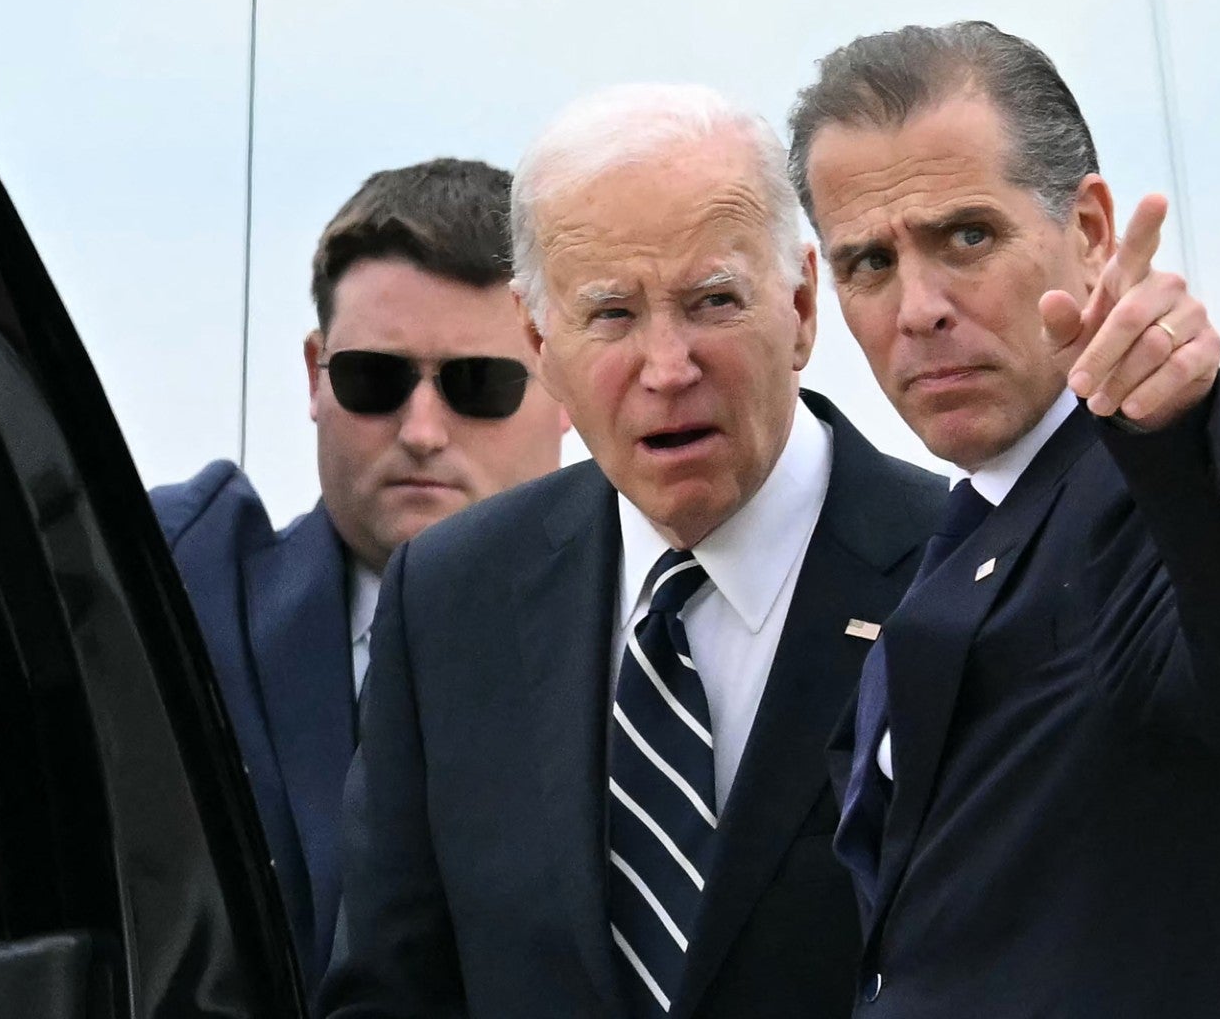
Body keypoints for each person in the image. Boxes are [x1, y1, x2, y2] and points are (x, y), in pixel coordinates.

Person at [788, 21, 1220, 1015]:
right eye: (868, 264)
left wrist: (1185, 428)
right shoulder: (965, 529)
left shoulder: (1163, 481)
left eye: (967, 237)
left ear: (1093, 231)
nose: (920, 307)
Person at [318, 86, 944, 1019]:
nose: (666, 367)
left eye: (713, 302)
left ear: (803, 306)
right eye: (610, 314)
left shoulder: (960, 572)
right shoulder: (451, 598)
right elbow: (390, 990)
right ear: (542, 342)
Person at [150, 157, 567, 993]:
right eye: (374, 378)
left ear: (567, 382)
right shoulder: (182, 598)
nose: (421, 430)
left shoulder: (655, 643)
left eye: (477, 385)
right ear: (315, 373)